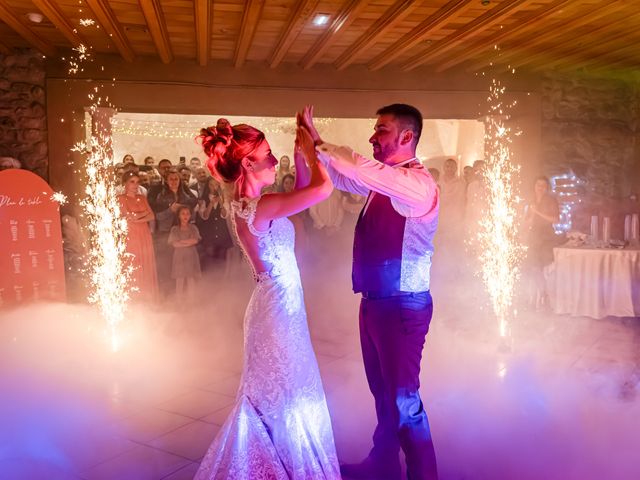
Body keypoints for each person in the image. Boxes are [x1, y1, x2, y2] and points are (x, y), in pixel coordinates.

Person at [194, 116, 339, 479]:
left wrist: (298, 153)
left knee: (281, 393)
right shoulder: (264, 205)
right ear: (247, 163)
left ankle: (274, 464)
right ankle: (278, 467)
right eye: (268, 155)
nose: (275, 162)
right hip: (278, 314)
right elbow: (322, 191)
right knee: (287, 393)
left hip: (274, 308)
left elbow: (301, 195)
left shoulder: (247, 203)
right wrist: (314, 149)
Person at [299, 104, 439, 480]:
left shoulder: (417, 183)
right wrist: (311, 144)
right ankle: (383, 463)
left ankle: (424, 476)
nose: (373, 137)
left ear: (407, 137)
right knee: (383, 394)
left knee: (404, 400)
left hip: (402, 306)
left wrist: (322, 142)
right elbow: (347, 179)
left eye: (381, 130)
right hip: (376, 304)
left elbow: (358, 167)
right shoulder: (387, 180)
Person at [118, 171, 158, 301]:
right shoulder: (120, 198)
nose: (135, 185)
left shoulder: (142, 198)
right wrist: (143, 214)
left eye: (137, 182)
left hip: (144, 234)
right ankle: (134, 297)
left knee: (145, 262)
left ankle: (147, 297)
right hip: (131, 235)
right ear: (125, 183)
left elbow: (152, 216)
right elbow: (127, 216)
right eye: (132, 182)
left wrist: (137, 217)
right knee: (133, 263)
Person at [523, 176, 560, 310]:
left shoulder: (551, 201)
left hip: (546, 237)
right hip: (533, 237)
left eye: (543, 186)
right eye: (538, 185)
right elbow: (526, 223)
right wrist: (532, 215)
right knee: (533, 268)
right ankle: (539, 296)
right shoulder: (531, 201)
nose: (540, 188)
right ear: (534, 186)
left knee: (542, 267)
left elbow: (555, 220)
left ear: (547, 188)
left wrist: (537, 212)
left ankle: (545, 296)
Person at [196, 177, 233, 266]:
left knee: (222, 259)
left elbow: (225, 215)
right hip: (209, 233)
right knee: (209, 258)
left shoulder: (224, 198)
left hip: (222, 234)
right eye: (211, 185)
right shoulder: (203, 199)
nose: (214, 187)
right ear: (208, 186)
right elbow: (205, 216)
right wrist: (211, 204)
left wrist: (220, 203)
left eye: (216, 185)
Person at [168, 205, 201, 297]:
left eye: (187, 214)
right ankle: (179, 301)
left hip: (191, 255)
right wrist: (188, 242)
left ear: (190, 215)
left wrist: (181, 242)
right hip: (179, 256)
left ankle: (192, 300)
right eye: (183, 214)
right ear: (178, 215)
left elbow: (195, 240)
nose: (185, 216)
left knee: (190, 278)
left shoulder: (193, 228)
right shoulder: (175, 229)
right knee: (180, 278)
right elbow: (175, 244)